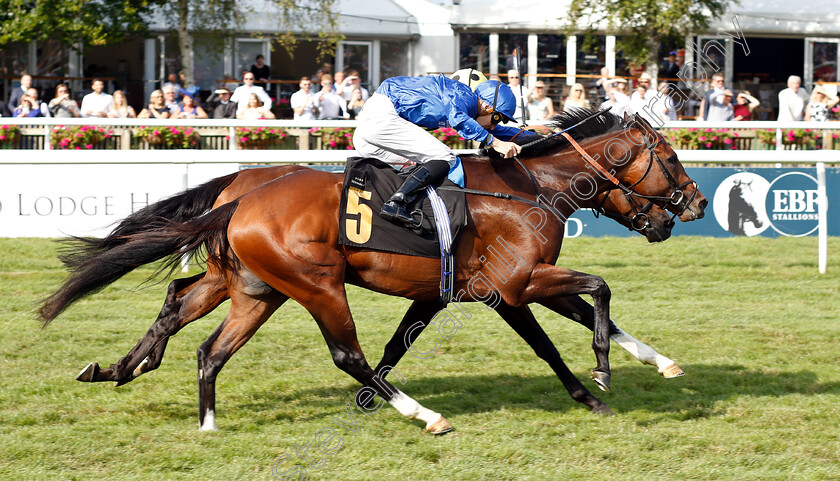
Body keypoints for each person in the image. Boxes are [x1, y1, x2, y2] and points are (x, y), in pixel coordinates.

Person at [352, 75, 528, 228]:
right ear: (487, 106)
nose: (494, 125)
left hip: (368, 129)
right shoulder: (462, 94)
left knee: (418, 167)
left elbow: (489, 130)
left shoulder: (467, 106)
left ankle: (395, 208)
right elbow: (460, 121)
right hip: (383, 117)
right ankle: (396, 203)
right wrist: (495, 143)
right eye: (498, 118)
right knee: (445, 157)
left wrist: (528, 134)